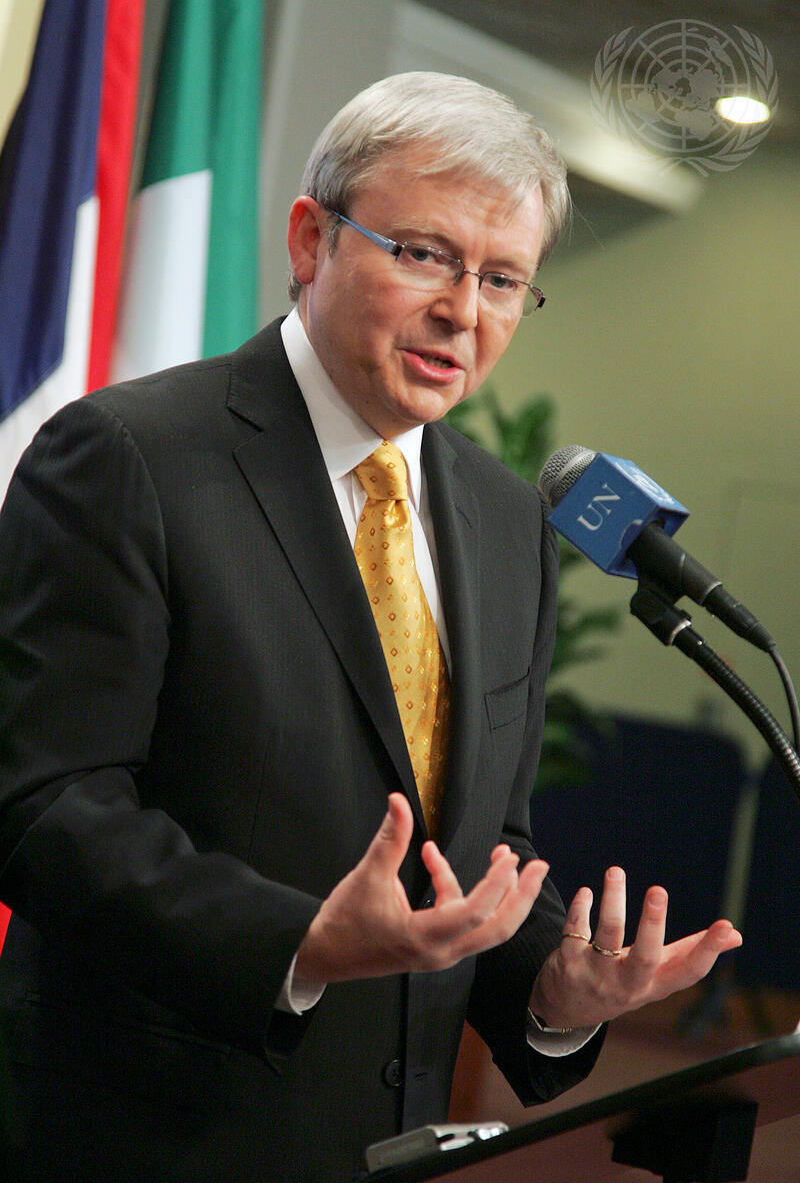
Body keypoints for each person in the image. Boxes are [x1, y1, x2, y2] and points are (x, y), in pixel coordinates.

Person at [0, 73, 740, 1182]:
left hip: (383, 1150)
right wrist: (294, 944)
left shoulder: (506, 521)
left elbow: (487, 844)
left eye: (503, 278)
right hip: (146, 1136)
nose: (465, 311)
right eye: (427, 255)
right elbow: (44, 801)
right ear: (311, 240)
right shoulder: (130, 456)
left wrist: (551, 991)